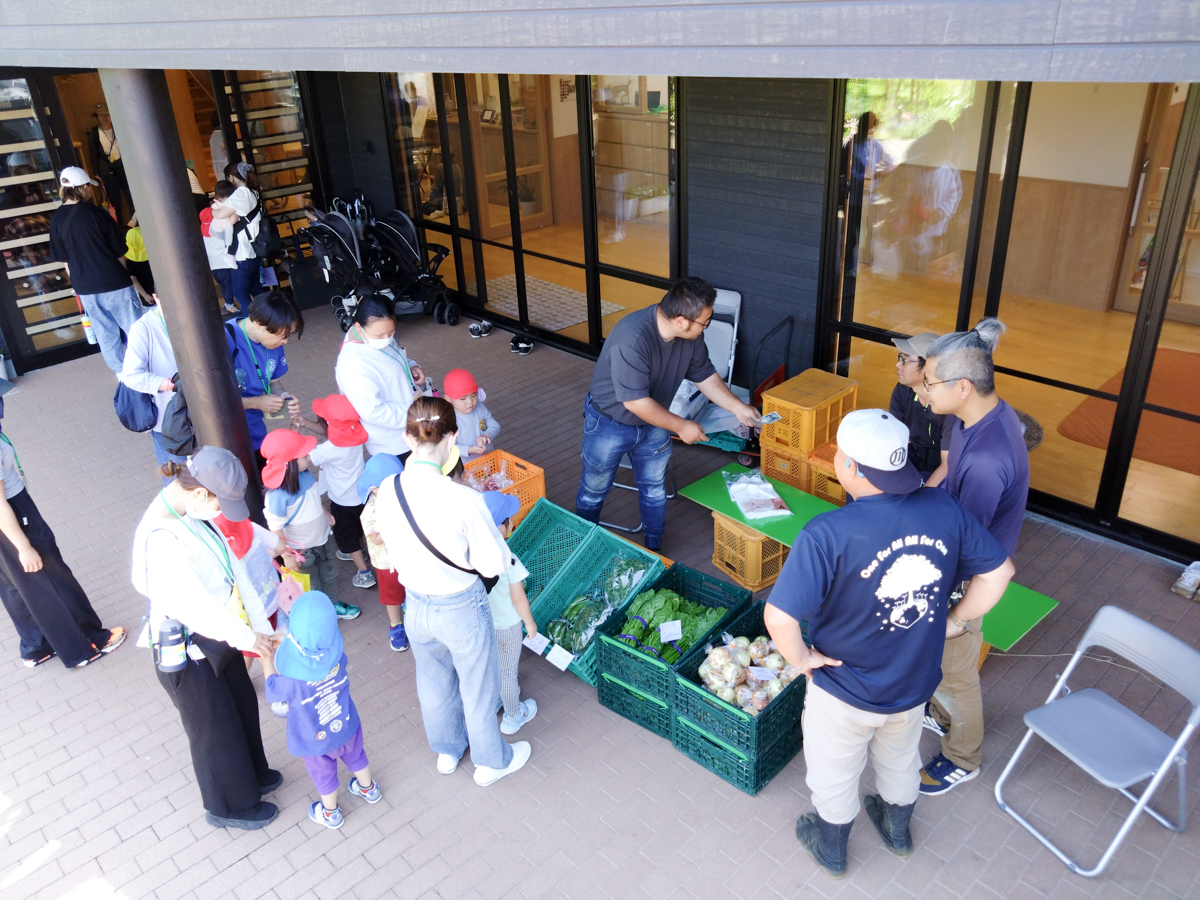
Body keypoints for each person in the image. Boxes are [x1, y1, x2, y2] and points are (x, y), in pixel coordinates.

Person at [764, 410, 1014, 878]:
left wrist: (804, 659)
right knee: (900, 758)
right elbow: (1000, 572)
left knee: (835, 771)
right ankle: (897, 831)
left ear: (851, 467)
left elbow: (778, 617)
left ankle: (833, 848)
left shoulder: (826, 533)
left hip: (844, 689)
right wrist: (955, 621)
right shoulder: (943, 508)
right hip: (912, 683)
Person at [372, 396, 531, 786]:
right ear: (453, 437)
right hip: (459, 604)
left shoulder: (389, 488)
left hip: (416, 606)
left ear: (408, 437)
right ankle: (492, 762)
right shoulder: (464, 499)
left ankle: (447, 751)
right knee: (477, 687)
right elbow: (494, 565)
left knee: (433, 681)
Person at [130, 447, 281, 830]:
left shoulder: (190, 512)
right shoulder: (162, 537)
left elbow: (235, 570)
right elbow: (195, 607)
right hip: (190, 648)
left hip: (221, 633)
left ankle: (255, 775)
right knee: (215, 729)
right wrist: (249, 634)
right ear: (199, 494)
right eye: (219, 504)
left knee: (242, 705)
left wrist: (258, 627)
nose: (220, 513)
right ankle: (230, 806)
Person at [917, 318, 1030, 795]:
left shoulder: (988, 459)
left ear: (963, 386)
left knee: (956, 670)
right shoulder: (972, 417)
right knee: (941, 664)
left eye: (929, 382)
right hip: (958, 558)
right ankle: (941, 713)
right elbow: (948, 473)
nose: (922, 390)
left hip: (969, 577)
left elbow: (974, 548)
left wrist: (958, 615)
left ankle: (965, 757)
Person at [575, 276, 759, 550]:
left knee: (653, 489)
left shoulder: (691, 336)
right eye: (704, 322)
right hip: (610, 423)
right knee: (594, 491)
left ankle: (654, 549)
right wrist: (682, 426)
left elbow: (705, 375)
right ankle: (582, 544)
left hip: (655, 420)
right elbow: (636, 403)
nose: (706, 327)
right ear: (682, 320)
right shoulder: (632, 338)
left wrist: (738, 407)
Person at [0, 380, 126, 669]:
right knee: (51, 578)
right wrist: (23, 545)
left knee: (14, 586)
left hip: (8, 516)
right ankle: (87, 642)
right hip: (13, 515)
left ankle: (36, 646)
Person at [261, 591, 382, 830]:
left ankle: (330, 812)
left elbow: (272, 690)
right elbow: (315, 654)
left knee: (324, 774)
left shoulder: (291, 681)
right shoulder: (337, 658)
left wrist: (267, 658)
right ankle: (368, 788)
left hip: (314, 739)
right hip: (346, 725)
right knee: (356, 755)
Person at [48, 166, 144, 373]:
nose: (91, 190)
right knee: (135, 330)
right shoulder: (97, 214)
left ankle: (122, 374)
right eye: (88, 187)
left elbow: (65, 261)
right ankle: (143, 369)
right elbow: (120, 251)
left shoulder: (56, 219)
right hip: (114, 281)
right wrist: (123, 274)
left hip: (85, 287)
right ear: (82, 188)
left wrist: (79, 284)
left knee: (105, 333)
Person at [260, 428, 361, 622]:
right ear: (289, 464)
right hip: (300, 550)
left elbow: (313, 498)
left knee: (329, 573)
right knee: (310, 583)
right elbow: (276, 528)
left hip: (322, 538)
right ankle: (318, 615)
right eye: (303, 455)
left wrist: (324, 512)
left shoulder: (306, 474)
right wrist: (286, 556)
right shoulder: (277, 496)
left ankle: (332, 604)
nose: (308, 456)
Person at [294, 394, 375, 589]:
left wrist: (294, 435)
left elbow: (302, 462)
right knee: (361, 527)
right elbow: (330, 430)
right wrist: (305, 422)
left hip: (342, 501)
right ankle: (363, 551)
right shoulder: (356, 433)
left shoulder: (328, 449)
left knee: (347, 537)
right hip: (361, 495)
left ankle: (364, 573)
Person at [335, 294, 427, 459]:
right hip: (394, 443)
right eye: (380, 336)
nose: (386, 339)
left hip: (412, 425)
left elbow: (394, 356)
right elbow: (374, 411)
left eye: (391, 333)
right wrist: (416, 413)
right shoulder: (352, 364)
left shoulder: (372, 334)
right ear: (358, 328)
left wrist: (411, 366)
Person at [225, 291, 303, 468]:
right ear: (259, 323)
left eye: (288, 335)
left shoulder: (273, 343)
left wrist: (283, 396)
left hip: (257, 435)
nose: (285, 342)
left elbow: (273, 382)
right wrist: (256, 402)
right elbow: (214, 400)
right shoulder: (225, 339)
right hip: (229, 440)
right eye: (282, 335)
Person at [483, 491, 539, 735]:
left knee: (493, 665)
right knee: (508, 672)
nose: (513, 522)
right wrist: (530, 623)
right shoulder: (509, 560)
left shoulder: (470, 555)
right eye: (509, 518)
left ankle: (497, 698)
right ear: (501, 527)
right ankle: (513, 715)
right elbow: (518, 598)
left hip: (485, 624)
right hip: (508, 626)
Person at [119, 292, 183, 479]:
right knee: (176, 479)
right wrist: (166, 384)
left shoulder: (192, 315)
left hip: (197, 410)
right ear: (156, 297)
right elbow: (131, 375)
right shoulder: (143, 328)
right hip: (169, 416)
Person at [357, 454, 408, 651]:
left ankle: (409, 610)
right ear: (374, 489)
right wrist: (395, 523)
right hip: (387, 564)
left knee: (411, 588)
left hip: (407, 557)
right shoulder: (371, 510)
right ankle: (396, 625)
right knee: (392, 597)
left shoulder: (400, 497)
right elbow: (375, 538)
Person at [888, 332, 949, 479]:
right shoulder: (902, 391)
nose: (898, 364)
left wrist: (921, 495)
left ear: (928, 368)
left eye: (905, 360)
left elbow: (948, 466)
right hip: (909, 466)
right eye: (899, 358)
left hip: (939, 479)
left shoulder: (949, 407)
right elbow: (894, 439)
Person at [212, 162, 263, 315]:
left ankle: (254, 326)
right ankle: (271, 320)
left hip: (242, 253)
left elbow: (221, 214)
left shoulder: (242, 193)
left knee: (240, 293)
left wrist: (212, 212)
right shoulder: (253, 192)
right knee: (257, 291)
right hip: (251, 251)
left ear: (231, 177)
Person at [87, 103, 132, 221]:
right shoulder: (94, 133)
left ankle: (137, 224)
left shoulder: (118, 129)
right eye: (100, 115)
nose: (104, 118)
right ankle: (120, 228)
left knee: (132, 198)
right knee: (114, 202)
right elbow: (93, 154)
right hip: (107, 171)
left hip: (123, 168)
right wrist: (96, 173)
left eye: (106, 115)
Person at [444, 368, 500, 461]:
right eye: (463, 398)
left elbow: (494, 425)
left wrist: (487, 435)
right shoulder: (449, 419)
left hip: (489, 460)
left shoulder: (480, 408)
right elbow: (448, 447)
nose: (470, 402)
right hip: (466, 467)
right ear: (448, 399)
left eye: (474, 395)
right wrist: (469, 450)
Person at [201, 180, 238, 315]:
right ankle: (229, 304)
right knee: (229, 283)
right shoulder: (223, 214)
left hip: (214, 261)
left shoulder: (207, 219)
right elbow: (232, 223)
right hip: (224, 258)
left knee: (225, 283)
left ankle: (229, 303)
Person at [209, 112, 228, 184]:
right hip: (224, 164)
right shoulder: (220, 134)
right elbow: (225, 148)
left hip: (217, 165)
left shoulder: (213, 135)